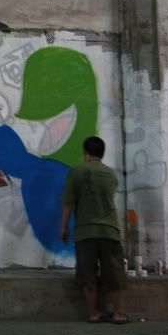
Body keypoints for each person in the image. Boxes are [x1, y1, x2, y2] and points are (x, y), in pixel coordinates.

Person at [60, 136, 128, 324]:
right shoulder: (110, 175)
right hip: (110, 230)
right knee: (113, 274)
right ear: (102, 153)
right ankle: (118, 313)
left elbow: (68, 203)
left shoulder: (76, 172)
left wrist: (64, 227)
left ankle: (94, 313)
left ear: (85, 152)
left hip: (86, 232)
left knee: (87, 274)